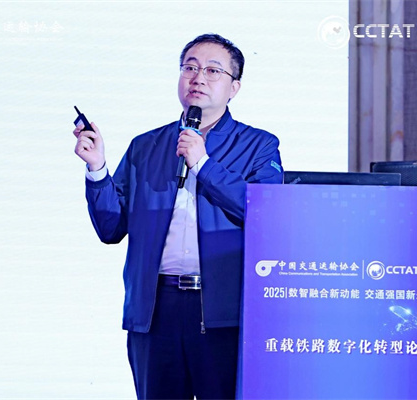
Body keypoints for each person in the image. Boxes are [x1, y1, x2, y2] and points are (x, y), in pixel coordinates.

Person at [73, 33, 283, 399]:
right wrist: (97, 170)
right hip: (156, 310)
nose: (198, 78)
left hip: (223, 311)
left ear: (234, 87)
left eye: (213, 71)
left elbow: (265, 215)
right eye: (190, 68)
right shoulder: (146, 145)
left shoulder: (258, 145)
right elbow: (111, 227)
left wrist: (203, 164)